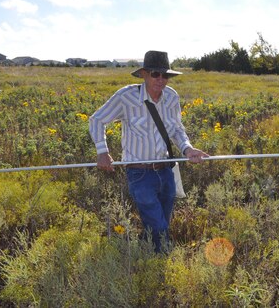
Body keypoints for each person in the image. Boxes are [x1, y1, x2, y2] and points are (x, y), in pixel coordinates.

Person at [89, 50, 208, 252]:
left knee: (160, 223)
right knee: (160, 227)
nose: (160, 80)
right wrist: (102, 151)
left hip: (166, 171)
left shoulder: (172, 97)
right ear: (144, 74)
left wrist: (187, 149)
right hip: (139, 173)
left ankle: (145, 253)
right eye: (155, 74)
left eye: (165, 75)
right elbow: (96, 119)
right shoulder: (126, 97)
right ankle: (163, 264)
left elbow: (178, 129)